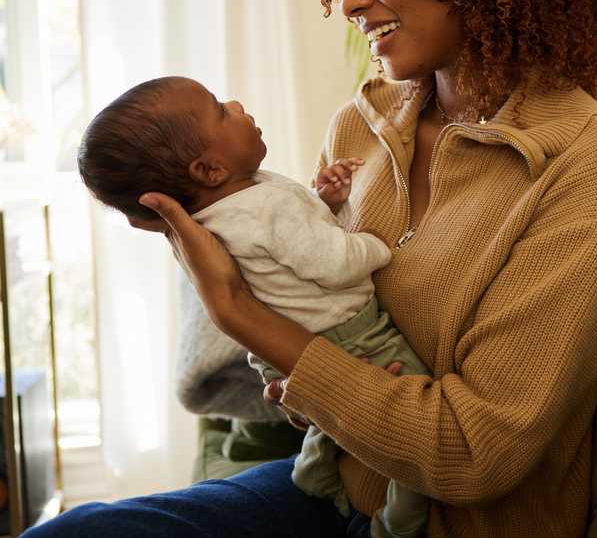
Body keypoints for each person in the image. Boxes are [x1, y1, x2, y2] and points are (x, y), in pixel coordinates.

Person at [28, 0, 597, 537]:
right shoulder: (363, 124)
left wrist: (239, 313)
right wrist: (297, 372)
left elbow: (475, 453)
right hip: (337, 492)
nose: (351, 2)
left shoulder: (585, 161)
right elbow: (322, 354)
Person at [76, 75, 431, 538]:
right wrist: (379, 247)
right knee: (415, 417)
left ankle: (316, 470)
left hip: (280, 351)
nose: (238, 104)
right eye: (221, 110)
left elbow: (281, 260)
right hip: (346, 334)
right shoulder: (263, 206)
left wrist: (323, 204)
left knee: (331, 415)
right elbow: (331, 262)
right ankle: (401, 523)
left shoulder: (218, 217)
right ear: (209, 171)